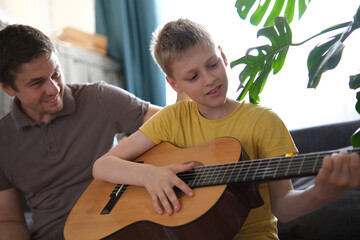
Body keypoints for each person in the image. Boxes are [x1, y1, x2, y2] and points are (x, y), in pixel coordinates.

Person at [92, 18, 360, 239]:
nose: (210, 80)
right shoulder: (172, 118)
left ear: (222, 55)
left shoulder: (263, 122)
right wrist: (150, 176)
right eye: (193, 76)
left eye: (212, 64)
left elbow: (285, 208)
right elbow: (103, 165)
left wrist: (321, 193)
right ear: (175, 85)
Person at [0, 24, 162, 240]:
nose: (54, 89)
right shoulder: (3, 140)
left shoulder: (98, 98)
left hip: (122, 227)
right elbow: (9, 219)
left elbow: (168, 122)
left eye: (56, 73)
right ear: (8, 89)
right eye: (37, 83)